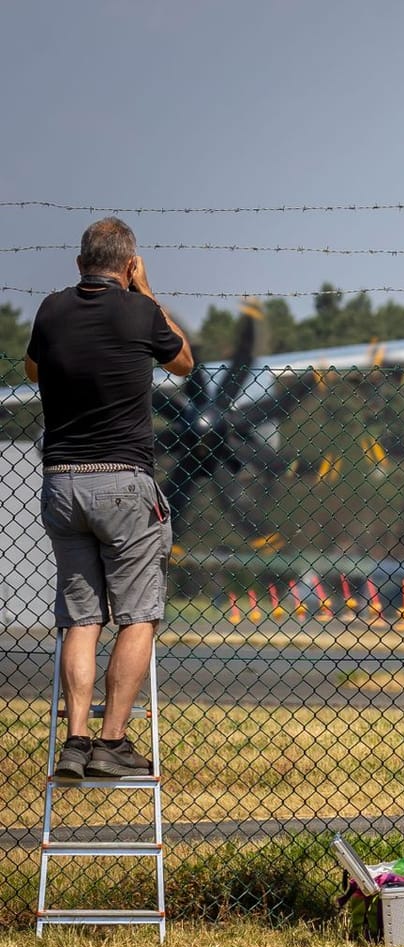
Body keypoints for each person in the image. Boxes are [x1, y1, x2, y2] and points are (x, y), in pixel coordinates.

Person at [26, 217, 195, 779]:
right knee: (137, 615)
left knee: (80, 618)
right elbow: (183, 362)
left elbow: (33, 368)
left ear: (79, 265)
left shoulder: (51, 310)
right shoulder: (139, 310)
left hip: (62, 482)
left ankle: (73, 741)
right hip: (123, 481)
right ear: (128, 265)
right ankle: (112, 744)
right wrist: (144, 291)